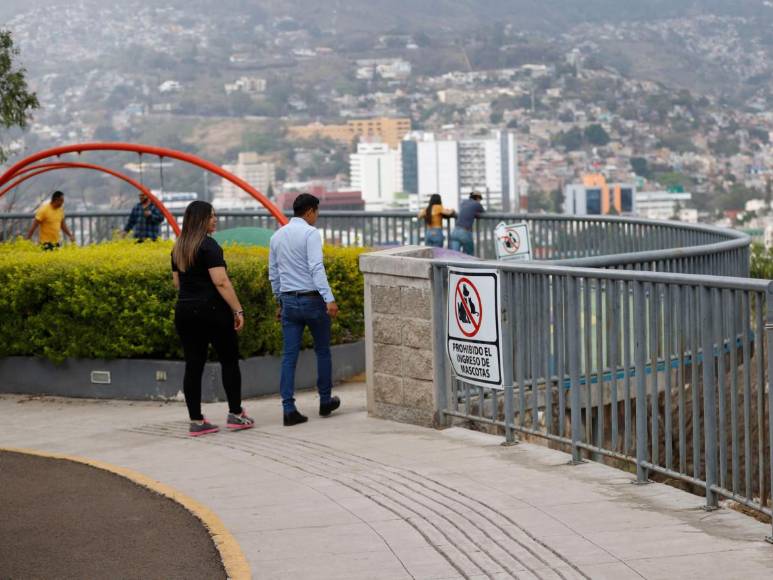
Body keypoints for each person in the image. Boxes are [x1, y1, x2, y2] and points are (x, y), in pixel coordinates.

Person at [171, 200, 254, 436]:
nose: (215, 220)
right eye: (211, 216)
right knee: (229, 361)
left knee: (193, 365)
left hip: (185, 311)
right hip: (212, 311)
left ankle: (196, 421)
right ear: (201, 220)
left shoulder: (178, 247)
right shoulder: (209, 246)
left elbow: (177, 282)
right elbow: (221, 281)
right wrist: (238, 310)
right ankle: (236, 415)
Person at [269, 193, 341, 426]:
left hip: (289, 302)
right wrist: (329, 298)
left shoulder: (277, 236)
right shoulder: (311, 234)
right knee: (322, 351)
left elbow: (274, 273)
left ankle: (288, 409)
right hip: (312, 301)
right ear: (309, 211)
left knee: (289, 357)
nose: (316, 217)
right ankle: (325, 400)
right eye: (316, 212)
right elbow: (316, 267)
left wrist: (278, 301)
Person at [450, 191, 486, 255]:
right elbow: (483, 212)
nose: (480, 201)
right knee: (469, 256)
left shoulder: (463, 202)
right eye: (480, 199)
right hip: (465, 232)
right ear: (478, 198)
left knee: (454, 256)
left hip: (455, 231)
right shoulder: (477, 204)